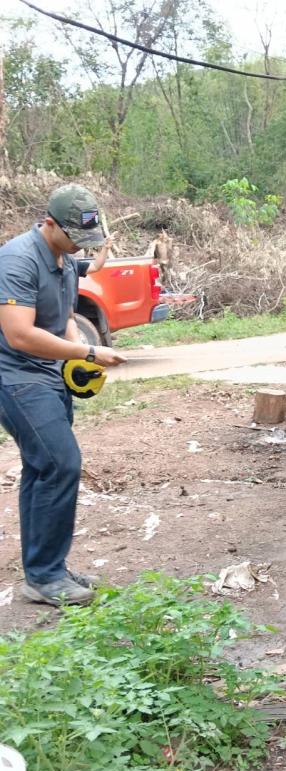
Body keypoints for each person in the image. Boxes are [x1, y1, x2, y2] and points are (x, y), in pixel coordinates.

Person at [0, 183, 127, 606]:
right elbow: (19, 335)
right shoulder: (17, 260)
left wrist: (76, 354)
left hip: (48, 375)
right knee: (60, 463)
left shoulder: (65, 259)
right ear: (49, 223)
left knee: (42, 469)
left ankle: (45, 568)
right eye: (75, 237)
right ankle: (45, 576)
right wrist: (88, 351)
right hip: (16, 377)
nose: (80, 246)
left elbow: (66, 316)